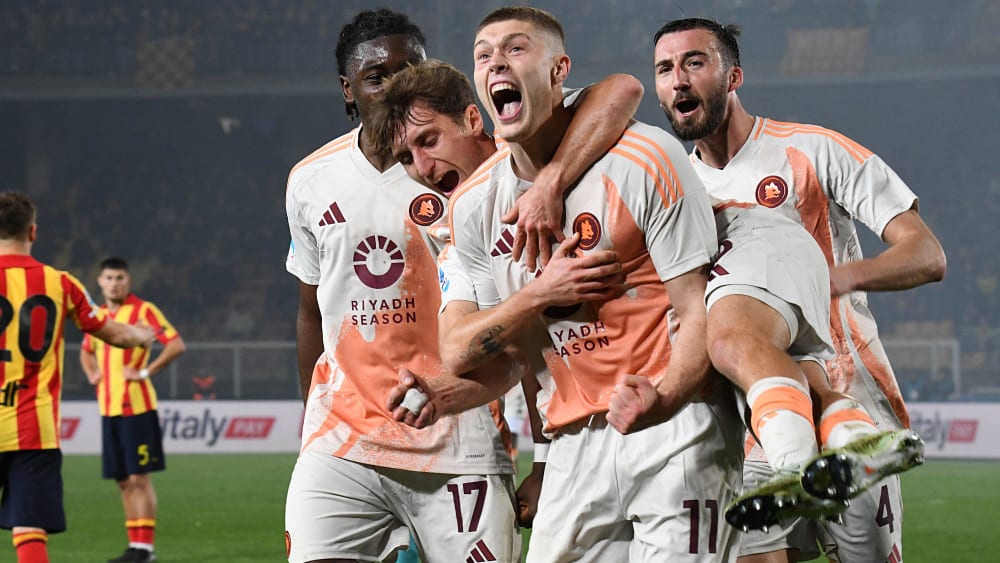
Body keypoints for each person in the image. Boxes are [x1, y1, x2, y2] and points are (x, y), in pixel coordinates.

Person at [282, 8, 640, 562]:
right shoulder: (311, 180)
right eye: (377, 77)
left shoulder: (499, 172)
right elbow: (311, 310)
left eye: (409, 70)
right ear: (348, 90)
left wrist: (550, 181)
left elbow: (525, 344)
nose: (395, 86)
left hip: (463, 439)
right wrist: (311, 427)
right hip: (344, 438)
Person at [440, 7, 747, 561]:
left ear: (559, 71)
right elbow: (478, 350)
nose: (496, 63)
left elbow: (698, 309)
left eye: (515, 49)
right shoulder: (474, 207)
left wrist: (664, 401)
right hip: (572, 443)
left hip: (677, 426)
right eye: (483, 56)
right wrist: (539, 294)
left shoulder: (644, 158)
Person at [651, 17, 946, 563]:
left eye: (694, 62)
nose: (679, 80)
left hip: (847, 404)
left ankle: (854, 444)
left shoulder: (812, 149)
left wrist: (836, 279)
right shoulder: (675, 193)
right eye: (665, 69)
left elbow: (926, 254)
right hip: (752, 424)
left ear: (733, 76)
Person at [0, 192, 154, 563]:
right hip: (34, 430)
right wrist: (142, 335)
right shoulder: (60, 283)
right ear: (33, 232)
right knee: (30, 529)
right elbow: (114, 333)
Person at [79, 257, 186, 563]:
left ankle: (145, 549)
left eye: (120, 278)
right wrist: (91, 372)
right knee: (123, 481)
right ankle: (134, 545)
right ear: (100, 282)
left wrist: (144, 372)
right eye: (109, 278)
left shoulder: (144, 311)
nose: (114, 284)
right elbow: (86, 352)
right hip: (108, 408)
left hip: (137, 408)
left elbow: (175, 345)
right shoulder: (98, 315)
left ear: (128, 281)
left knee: (139, 479)